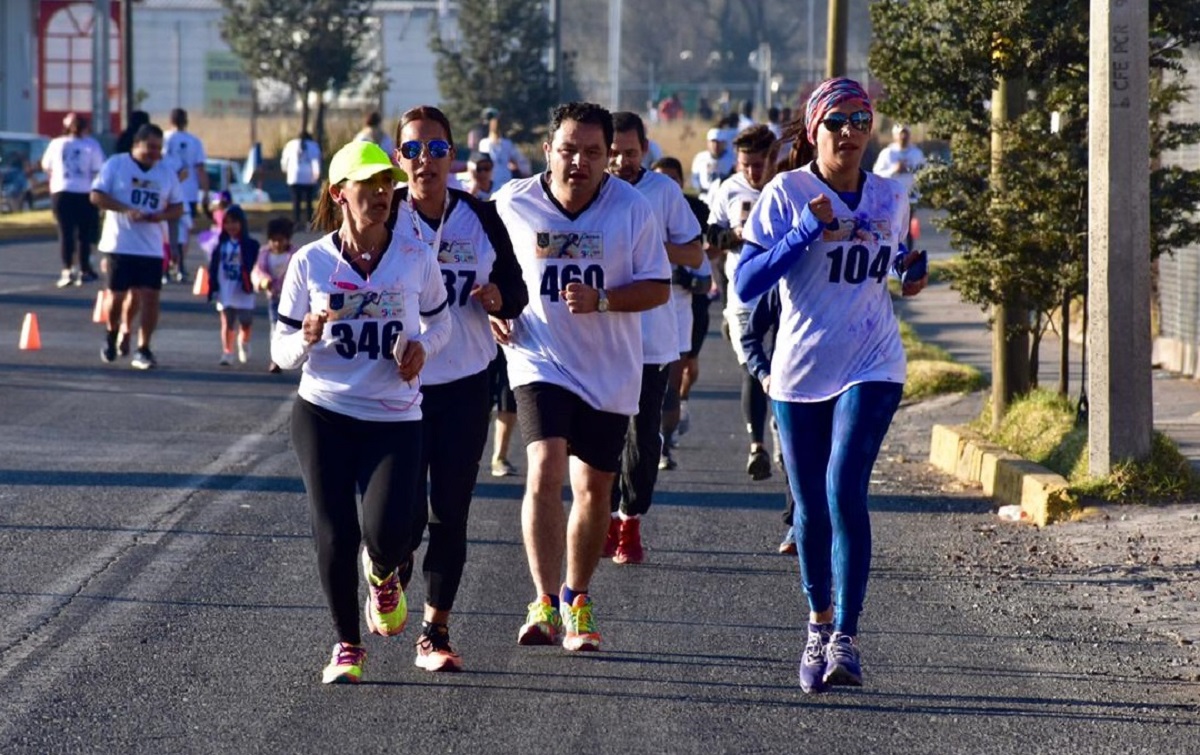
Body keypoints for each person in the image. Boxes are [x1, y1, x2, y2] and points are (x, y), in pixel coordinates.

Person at [733, 77, 928, 693]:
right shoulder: (786, 192)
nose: (850, 132)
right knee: (812, 505)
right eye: (837, 120)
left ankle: (846, 634)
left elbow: (897, 262)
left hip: (873, 361)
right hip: (799, 370)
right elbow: (746, 284)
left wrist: (911, 271)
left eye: (861, 120)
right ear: (814, 130)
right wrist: (803, 232)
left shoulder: (890, 197)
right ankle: (817, 624)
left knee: (845, 488)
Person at [492, 102, 671, 651]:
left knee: (594, 489)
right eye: (569, 150)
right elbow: (483, 269)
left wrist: (605, 300)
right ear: (549, 151)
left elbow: (659, 287)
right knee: (544, 466)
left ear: (607, 157)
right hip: (539, 358)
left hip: (610, 368)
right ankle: (543, 601)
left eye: (593, 152)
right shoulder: (511, 204)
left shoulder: (632, 208)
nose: (580, 162)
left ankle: (578, 599)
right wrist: (495, 304)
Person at [270, 140, 450, 684]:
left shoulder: (415, 256)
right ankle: (347, 644)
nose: (380, 194)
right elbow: (278, 352)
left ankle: (384, 570)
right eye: (367, 185)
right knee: (334, 532)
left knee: (388, 533)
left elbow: (441, 324)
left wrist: (425, 349)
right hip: (324, 411)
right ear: (338, 193)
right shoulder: (311, 261)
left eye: (385, 185)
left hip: (394, 416)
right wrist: (305, 337)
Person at [386, 105, 527, 672]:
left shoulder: (481, 217)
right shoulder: (384, 214)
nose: (426, 161)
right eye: (414, 150)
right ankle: (391, 561)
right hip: (397, 387)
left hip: (467, 383)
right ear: (400, 160)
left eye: (437, 150)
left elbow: (516, 289)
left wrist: (499, 299)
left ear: (454, 158)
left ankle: (434, 631)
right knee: (400, 514)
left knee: (450, 511)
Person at [603, 112, 703, 564]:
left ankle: (630, 521)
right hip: (598, 338)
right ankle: (600, 518)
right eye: (614, 152)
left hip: (651, 338)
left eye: (630, 152)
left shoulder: (662, 192)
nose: (622, 161)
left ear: (645, 150)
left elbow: (695, 251)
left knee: (643, 439)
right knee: (600, 436)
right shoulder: (590, 192)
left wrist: (651, 247)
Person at [708, 124, 777, 481]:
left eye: (759, 164)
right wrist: (731, 236)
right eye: (746, 165)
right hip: (743, 292)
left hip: (784, 294)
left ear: (773, 158)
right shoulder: (728, 189)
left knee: (784, 366)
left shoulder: (786, 186)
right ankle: (757, 446)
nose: (753, 172)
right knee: (753, 366)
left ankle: (784, 436)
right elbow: (711, 234)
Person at [90, 124, 184, 370]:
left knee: (150, 297)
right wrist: (125, 209)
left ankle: (144, 348)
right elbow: (96, 196)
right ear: (136, 144)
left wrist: (159, 217)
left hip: (151, 247)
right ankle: (112, 333)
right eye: (150, 147)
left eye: (158, 148)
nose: (155, 152)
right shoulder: (116, 164)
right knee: (118, 296)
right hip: (119, 243)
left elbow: (178, 207)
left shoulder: (166, 172)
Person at [651, 156, 713, 455]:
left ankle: (664, 443)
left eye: (673, 179)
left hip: (679, 308)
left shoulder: (691, 216)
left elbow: (704, 277)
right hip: (640, 308)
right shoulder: (635, 210)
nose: (667, 185)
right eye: (660, 178)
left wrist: (685, 277)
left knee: (671, 384)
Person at [42, 112, 105, 287]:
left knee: (66, 232)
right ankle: (84, 269)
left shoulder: (57, 143)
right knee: (84, 234)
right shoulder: (91, 145)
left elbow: (46, 166)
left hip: (61, 191)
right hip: (84, 191)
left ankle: (67, 269)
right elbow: (97, 169)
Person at [201, 204, 260, 366]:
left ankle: (244, 341)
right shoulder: (220, 245)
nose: (231, 226)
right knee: (227, 321)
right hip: (225, 288)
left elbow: (255, 264)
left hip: (243, 288)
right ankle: (227, 352)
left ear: (242, 223)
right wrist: (212, 287)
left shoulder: (251, 245)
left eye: (234, 222)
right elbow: (213, 268)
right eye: (227, 222)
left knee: (246, 320)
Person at [163, 108, 210, 282]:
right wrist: (205, 192)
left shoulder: (165, 139)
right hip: (188, 193)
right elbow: (200, 169)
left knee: (166, 231)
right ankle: (179, 265)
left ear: (170, 120)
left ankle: (168, 265)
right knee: (184, 230)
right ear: (186, 121)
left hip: (166, 193)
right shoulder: (194, 141)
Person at [251, 216, 297, 373]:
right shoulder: (264, 254)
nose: (277, 243)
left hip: (294, 298)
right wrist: (264, 281)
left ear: (287, 239)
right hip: (275, 298)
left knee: (295, 328)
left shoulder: (295, 255)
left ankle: (297, 357)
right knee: (275, 329)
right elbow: (258, 271)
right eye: (273, 240)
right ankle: (276, 360)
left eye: (281, 240)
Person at [281, 130, 323, 226]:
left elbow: (284, 160)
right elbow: (316, 161)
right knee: (309, 201)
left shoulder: (290, 144)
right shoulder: (313, 146)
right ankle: (309, 221)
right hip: (309, 177)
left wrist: (285, 170)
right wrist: (317, 174)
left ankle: (296, 221)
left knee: (296, 200)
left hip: (294, 176)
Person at [478, 114, 530, 188]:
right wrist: (525, 172)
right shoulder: (507, 143)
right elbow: (519, 159)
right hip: (505, 177)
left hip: (491, 178)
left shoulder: (483, 143)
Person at [690, 128, 733, 194]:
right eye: (713, 142)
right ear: (708, 142)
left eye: (719, 142)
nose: (716, 145)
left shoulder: (732, 159)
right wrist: (700, 189)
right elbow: (695, 178)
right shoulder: (700, 158)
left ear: (724, 143)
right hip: (704, 198)